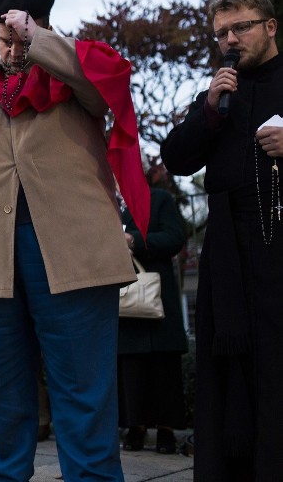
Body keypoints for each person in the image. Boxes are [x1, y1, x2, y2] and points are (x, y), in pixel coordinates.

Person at [0, 0, 144, 481]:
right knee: (2, 391)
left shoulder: (78, 63)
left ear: (40, 23)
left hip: (70, 250)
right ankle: (3, 476)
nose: (10, 45)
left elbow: (103, 90)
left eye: (18, 31)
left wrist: (37, 42)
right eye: (4, 34)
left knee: (82, 391)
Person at [160, 0, 283, 480]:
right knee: (227, 366)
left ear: (270, 26)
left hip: (277, 244)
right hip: (228, 249)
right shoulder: (217, 93)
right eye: (221, 34)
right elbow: (176, 157)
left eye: (241, 28)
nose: (230, 40)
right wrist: (209, 109)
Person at [117, 157, 187, 454]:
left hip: (157, 294)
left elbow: (174, 238)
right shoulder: (105, 203)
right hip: (123, 295)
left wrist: (134, 240)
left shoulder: (159, 199)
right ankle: (136, 426)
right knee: (130, 367)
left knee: (164, 367)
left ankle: (166, 430)